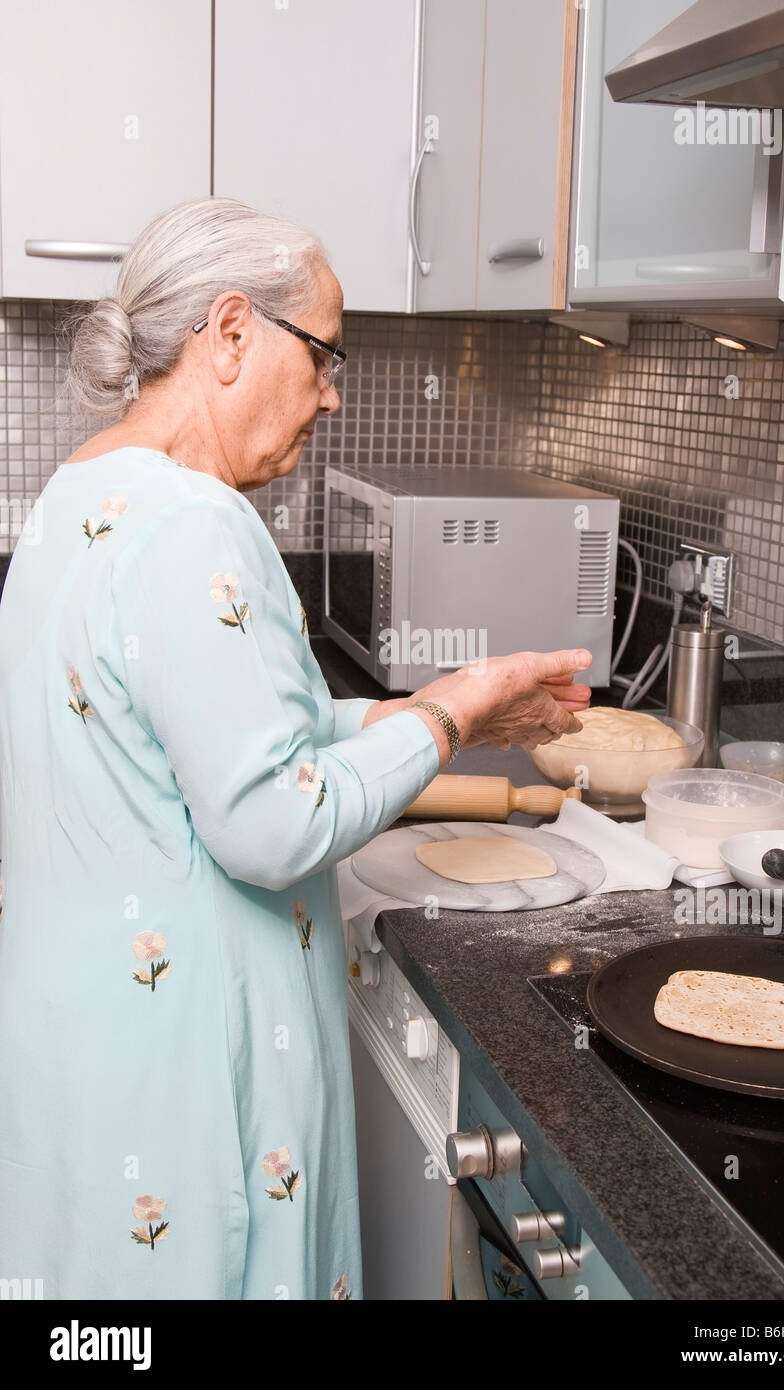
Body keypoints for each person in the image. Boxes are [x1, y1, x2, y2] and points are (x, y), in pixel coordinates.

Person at [0, 197, 592, 1300]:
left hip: (84, 1054)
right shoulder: (194, 522)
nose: (330, 392)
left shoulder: (78, 494)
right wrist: (454, 709)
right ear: (228, 334)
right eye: (323, 353)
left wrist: (436, 710)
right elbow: (275, 821)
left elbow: (237, 731)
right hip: (189, 1087)